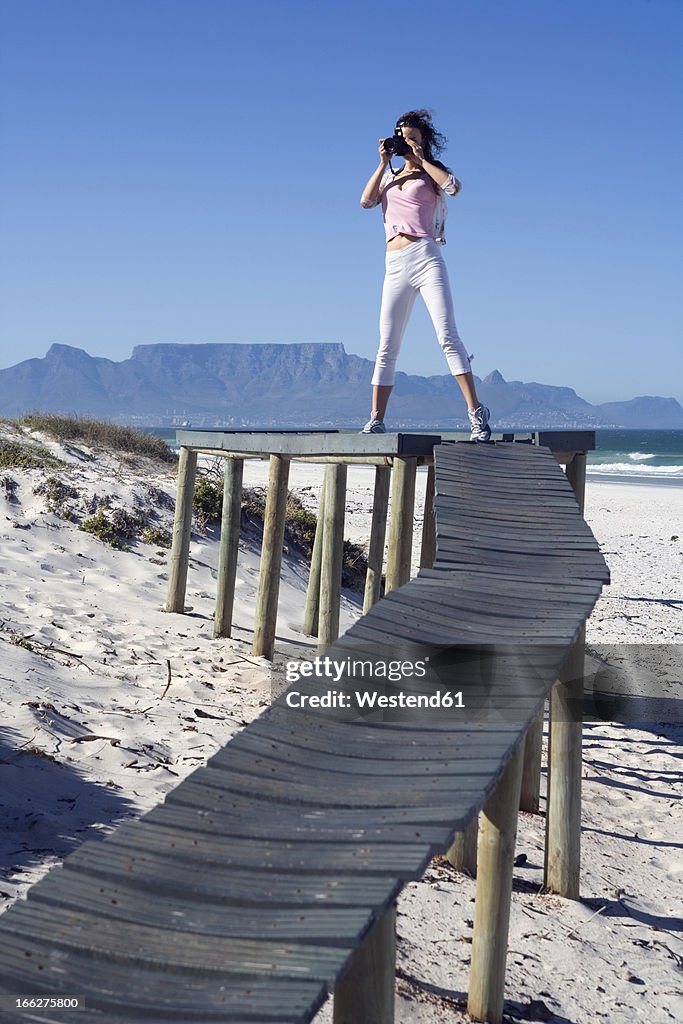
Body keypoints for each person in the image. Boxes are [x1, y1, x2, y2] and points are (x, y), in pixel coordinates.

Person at [359, 109, 491, 441]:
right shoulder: (390, 176)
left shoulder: (432, 175)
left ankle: (476, 414)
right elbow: (365, 201)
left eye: (412, 138)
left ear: (423, 141)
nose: (405, 143)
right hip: (394, 264)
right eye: (402, 138)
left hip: (426, 257)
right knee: (387, 344)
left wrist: (419, 159)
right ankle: (376, 419)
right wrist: (382, 162)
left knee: (447, 335)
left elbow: (454, 187)